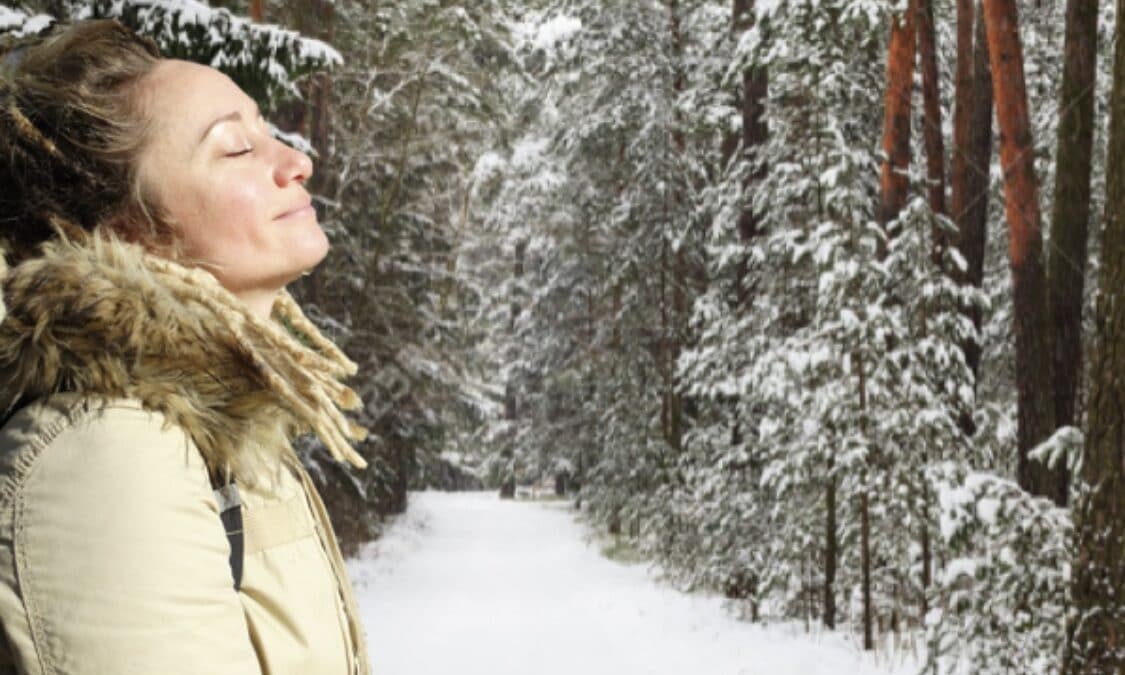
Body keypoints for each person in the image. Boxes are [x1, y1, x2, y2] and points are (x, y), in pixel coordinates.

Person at [0, 18, 372, 675]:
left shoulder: (210, 422)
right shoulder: (108, 454)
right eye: (235, 148)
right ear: (126, 232)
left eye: (266, 131)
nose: (296, 161)